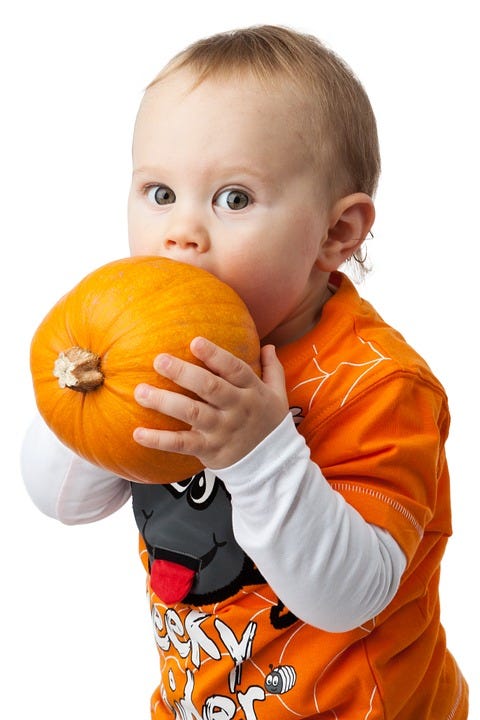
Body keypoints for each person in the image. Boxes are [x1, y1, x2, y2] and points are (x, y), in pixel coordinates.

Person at [22, 24, 469, 719]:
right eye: (160, 193)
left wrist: (258, 454)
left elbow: (352, 597)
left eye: (233, 198)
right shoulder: (165, 347)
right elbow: (62, 501)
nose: (181, 234)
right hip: (199, 699)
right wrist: (93, 366)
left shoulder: (377, 382)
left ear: (336, 234)